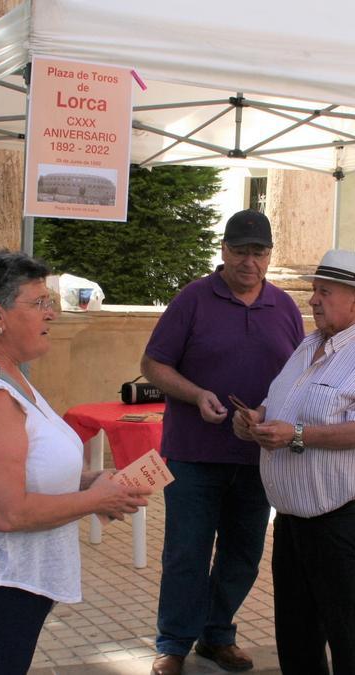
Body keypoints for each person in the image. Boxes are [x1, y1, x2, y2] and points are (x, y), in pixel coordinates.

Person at [0, 251, 149, 675]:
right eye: (40, 302)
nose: (52, 313)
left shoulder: (4, 369)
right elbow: (6, 511)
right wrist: (96, 500)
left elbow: (19, 465)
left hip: (5, 583)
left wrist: (84, 481)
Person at [235, 249, 355, 675]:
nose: (313, 300)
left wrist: (296, 435)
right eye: (314, 290)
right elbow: (284, 403)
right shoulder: (309, 344)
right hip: (293, 523)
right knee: (296, 643)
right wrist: (257, 419)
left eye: (325, 292)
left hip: (342, 526)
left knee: (350, 644)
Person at [143, 209, 304, 675]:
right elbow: (154, 364)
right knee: (187, 552)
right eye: (239, 252)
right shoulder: (193, 298)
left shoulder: (285, 307)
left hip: (259, 457)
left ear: (270, 256)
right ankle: (172, 643)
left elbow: (299, 377)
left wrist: (273, 417)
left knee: (243, 554)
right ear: (224, 251)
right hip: (195, 455)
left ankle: (217, 635)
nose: (248, 262)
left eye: (258, 253)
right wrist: (197, 395)